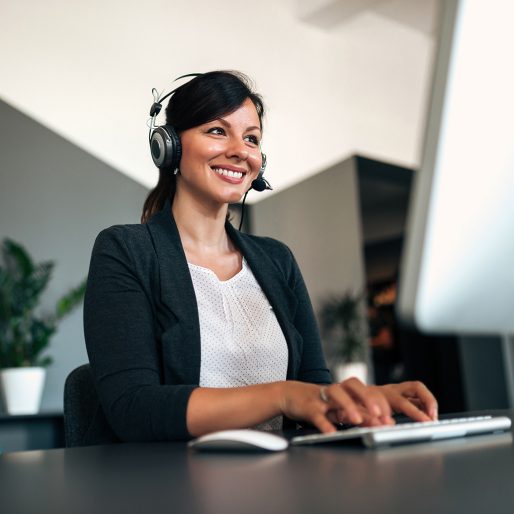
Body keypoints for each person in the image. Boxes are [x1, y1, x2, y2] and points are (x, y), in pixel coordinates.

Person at [84, 70, 438, 442]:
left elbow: (313, 388)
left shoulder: (276, 260)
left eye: (251, 138)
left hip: (282, 478)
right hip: (175, 486)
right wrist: (280, 395)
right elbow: (134, 409)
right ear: (169, 144)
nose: (240, 150)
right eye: (217, 131)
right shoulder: (125, 251)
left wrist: (361, 402)